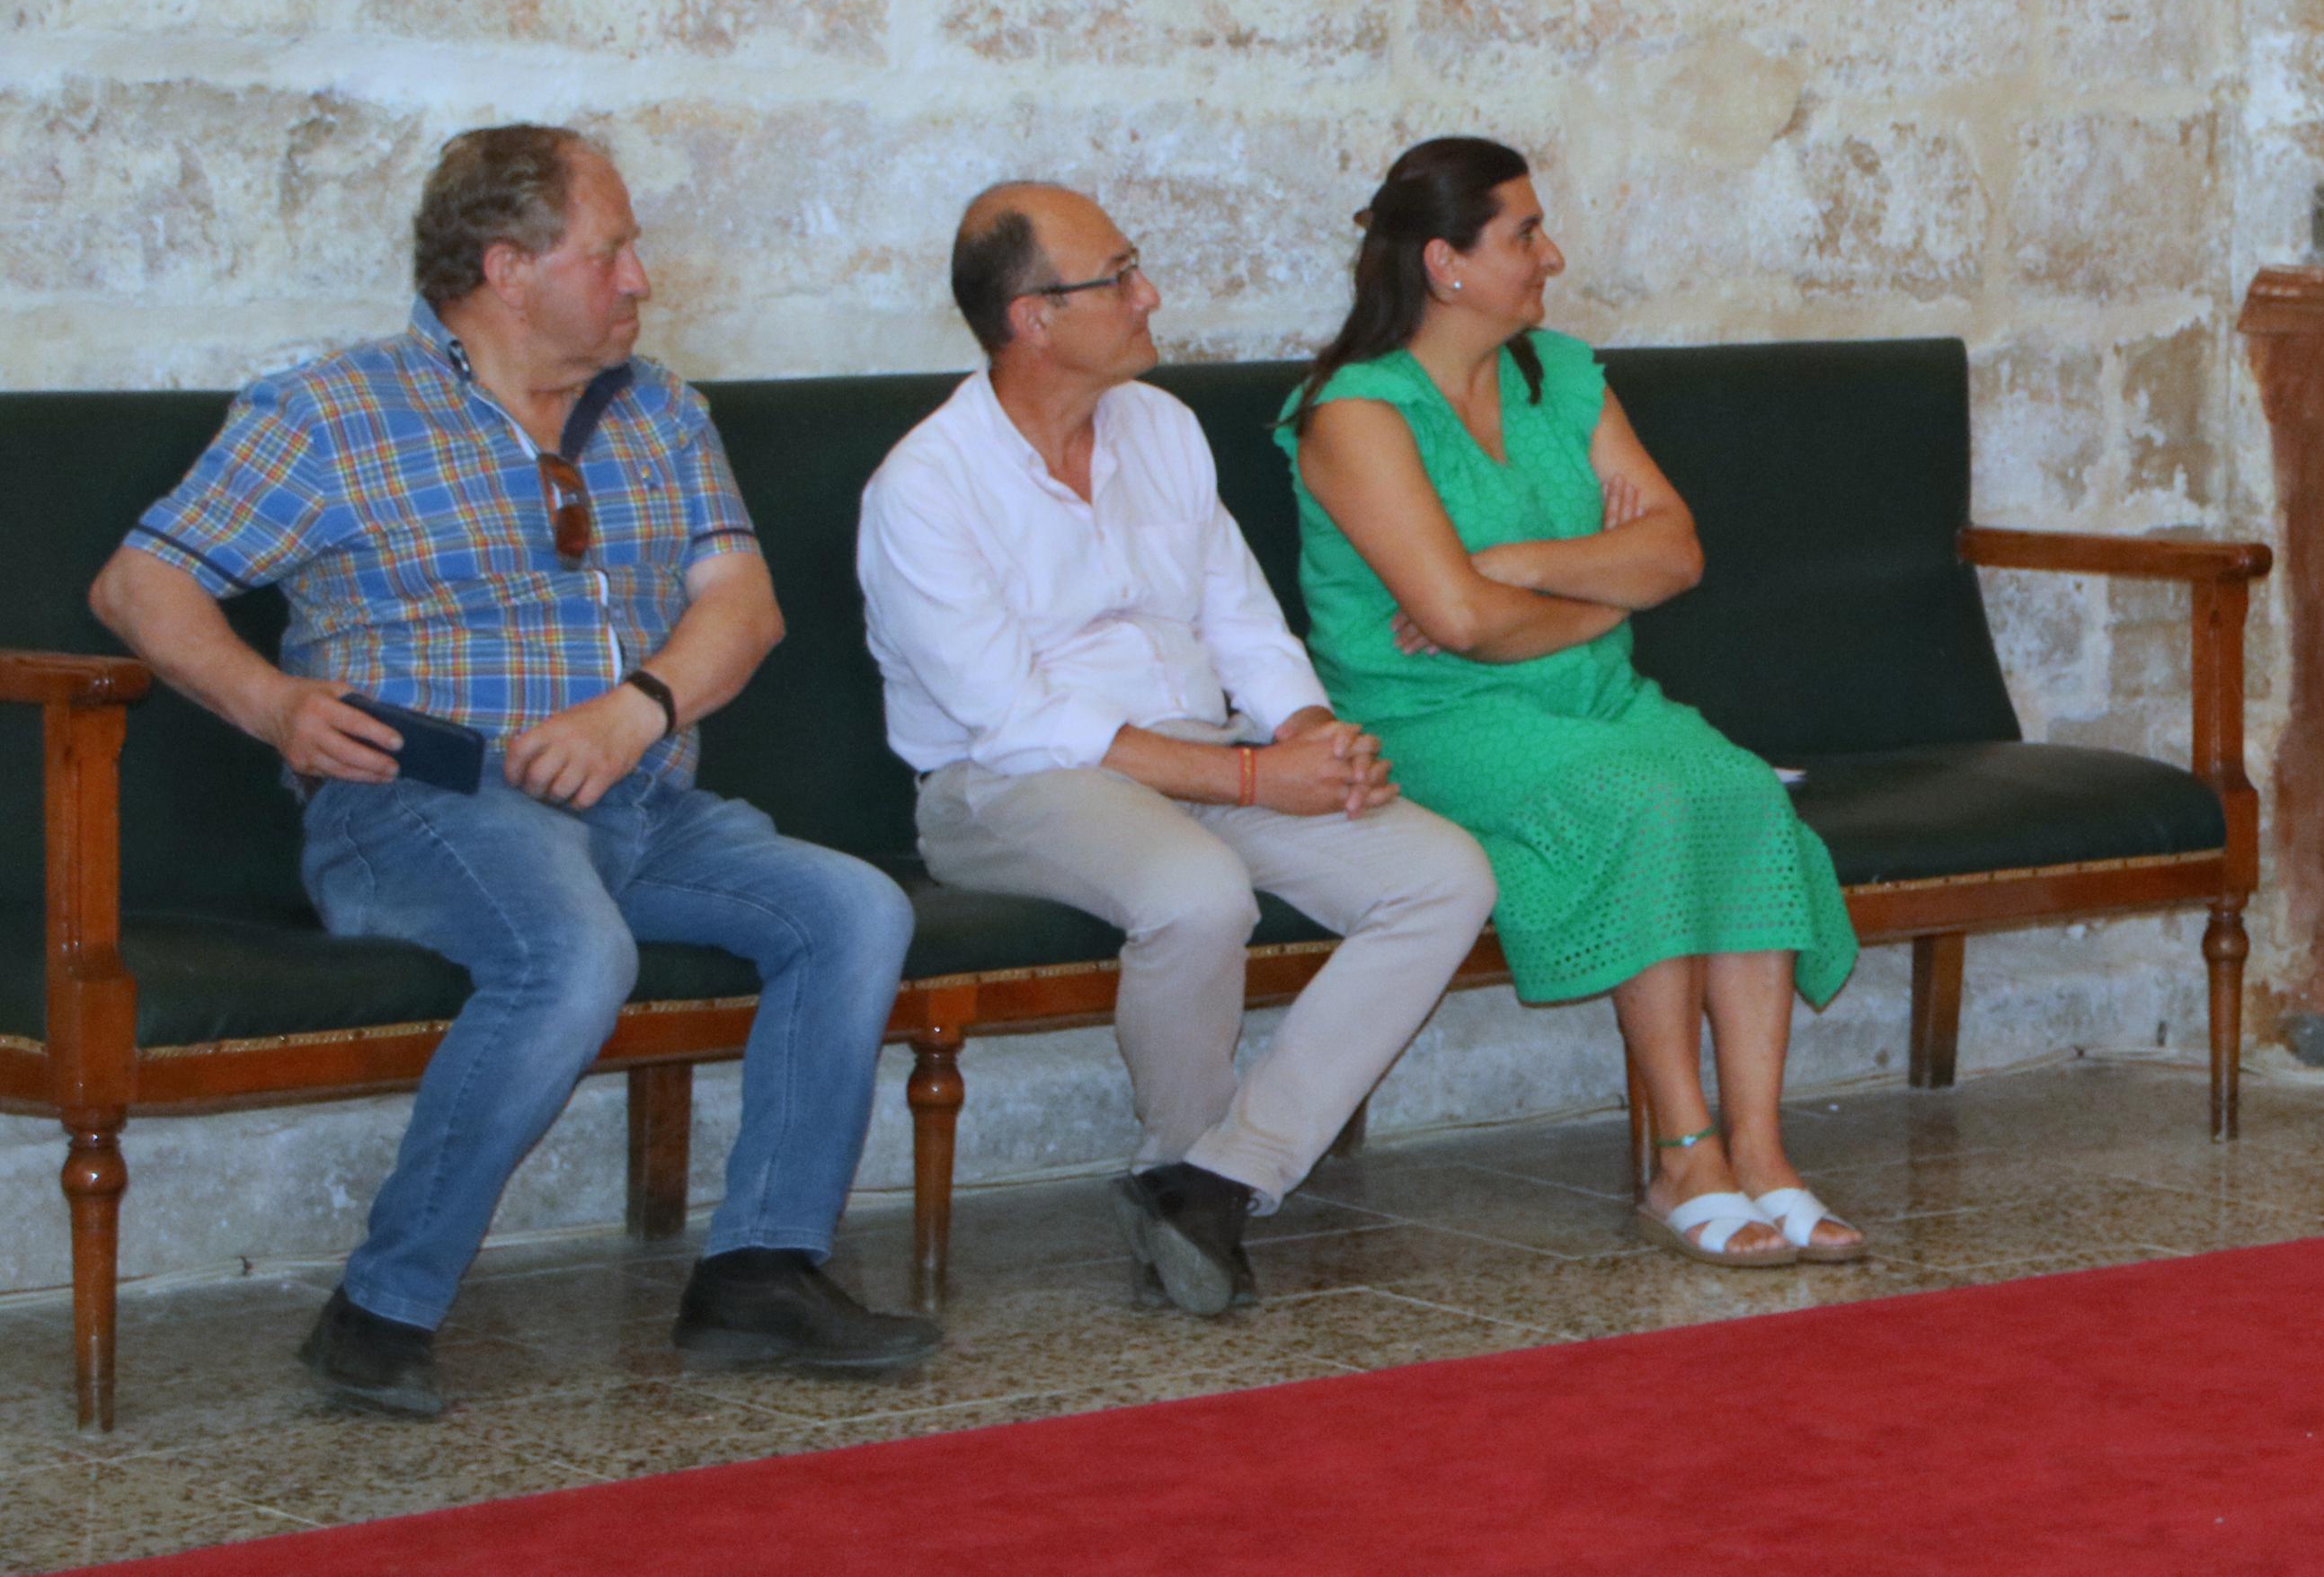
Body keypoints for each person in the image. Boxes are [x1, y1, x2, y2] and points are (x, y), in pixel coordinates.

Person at [87, 127, 935, 1418]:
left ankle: (760, 1269)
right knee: (571, 952)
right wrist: (270, 701)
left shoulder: (658, 409)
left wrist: (632, 709)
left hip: (638, 797)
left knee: (853, 906)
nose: (643, 276)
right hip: (421, 800)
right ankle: (381, 1304)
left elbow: (743, 607)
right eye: (612, 250)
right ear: (508, 266)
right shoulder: (333, 411)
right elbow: (137, 579)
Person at [858, 183, 1493, 1315]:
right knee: (1196, 893)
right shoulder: (924, 486)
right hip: (1010, 788)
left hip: (1207, 752)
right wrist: (1256, 777)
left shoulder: (1163, 427)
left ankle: (1214, 1181)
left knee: (1442, 875)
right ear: (1032, 319)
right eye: (1117, 277)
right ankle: (1177, 1157)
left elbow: (1239, 618)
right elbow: (1017, 720)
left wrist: (1307, 731)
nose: (1148, 294)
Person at [1280, 137, 1865, 1269]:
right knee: (1645, 802)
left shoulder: (1560, 371)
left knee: (1739, 793)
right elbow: (1455, 624)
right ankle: (1682, 1157)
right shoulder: (1353, 413)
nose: (1552, 254)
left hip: (1597, 695)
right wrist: (1598, 592)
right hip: (1435, 717)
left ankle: (1763, 1153)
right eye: (1524, 235)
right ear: (1444, 263)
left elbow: (1677, 551)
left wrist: (1526, 561)